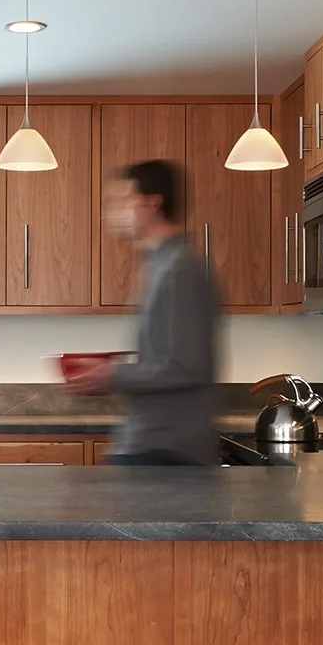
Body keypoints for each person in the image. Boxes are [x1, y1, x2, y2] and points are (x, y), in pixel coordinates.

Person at [69, 159, 221, 465]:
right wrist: (111, 372)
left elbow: (188, 366)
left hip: (170, 449)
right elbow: (167, 357)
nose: (112, 211)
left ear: (153, 203)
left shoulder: (181, 269)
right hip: (152, 441)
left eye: (125, 200)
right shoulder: (160, 264)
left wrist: (111, 374)